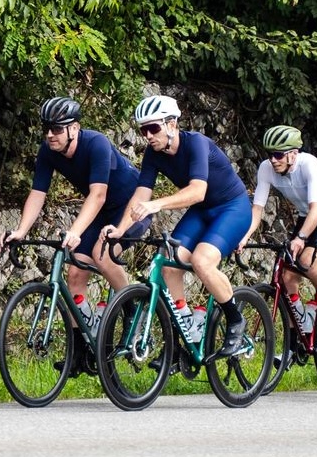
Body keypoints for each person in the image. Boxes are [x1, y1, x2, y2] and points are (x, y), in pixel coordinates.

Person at [3, 96, 151, 377]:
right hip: (102, 211)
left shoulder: (96, 144)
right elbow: (38, 193)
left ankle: (131, 309)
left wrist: (75, 232)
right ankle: (80, 352)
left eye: (57, 129)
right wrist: (21, 231)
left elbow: (98, 194)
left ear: (74, 128)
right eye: (47, 128)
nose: (50, 134)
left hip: (130, 207)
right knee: (74, 275)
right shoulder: (48, 151)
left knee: (101, 255)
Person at [102, 94, 252, 357]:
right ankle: (187, 330)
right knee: (170, 265)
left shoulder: (196, 144)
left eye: (153, 128)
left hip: (232, 208)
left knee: (202, 261)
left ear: (172, 124)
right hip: (202, 212)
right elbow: (141, 195)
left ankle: (235, 319)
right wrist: (121, 229)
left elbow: (198, 191)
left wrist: (157, 205)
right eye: (143, 130)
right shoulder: (153, 154)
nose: (148, 136)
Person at [237, 125, 317, 341]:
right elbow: (257, 209)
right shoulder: (266, 168)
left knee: (307, 261)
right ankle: (298, 337)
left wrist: (300, 238)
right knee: (287, 276)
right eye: (270, 154)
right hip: (306, 215)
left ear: (293, 154)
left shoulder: (309, 165)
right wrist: (244, 237)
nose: (273, 160)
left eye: (278, 155)